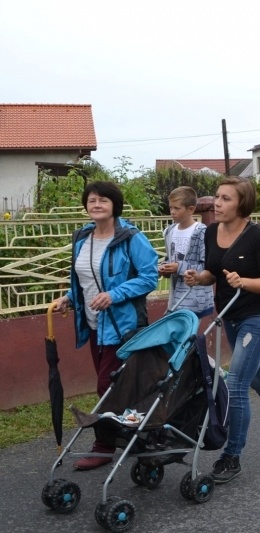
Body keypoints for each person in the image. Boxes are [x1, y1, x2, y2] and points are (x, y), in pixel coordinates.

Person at [184, 177, 260, 484]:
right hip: (230, 318)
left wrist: (243, 282)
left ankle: (232, 456)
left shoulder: (258, 237)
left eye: (226, 199)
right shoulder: (211, 232)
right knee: (259, 380)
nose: (217, 203)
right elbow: (213, 272)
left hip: (257, 319)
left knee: (236, 385)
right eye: (217, 197)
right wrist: (200, 277)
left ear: (242, 204)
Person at [52, 180, 158, 470]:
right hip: (93, 325)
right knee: (115, 387)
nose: (96, 204)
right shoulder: (82, 237)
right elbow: (84, 280)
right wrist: (69, 298)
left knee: (107, 386)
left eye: (103, 200)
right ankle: (139, 435)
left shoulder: (131, 237)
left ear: (115, 205)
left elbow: (149, 277)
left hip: (122, 326)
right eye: (92, 200)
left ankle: (104, 447)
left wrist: (114, 295)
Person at [159, 186, 214, 318]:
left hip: (194, 298)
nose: (172, 212)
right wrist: (165, 268)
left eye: (177, 208)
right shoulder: (169, 231)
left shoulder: (201, 232)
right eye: (170, 207)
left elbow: (207, 267)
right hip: (175, 298)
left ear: (191, 209)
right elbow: (169, 258)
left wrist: (178, 268)